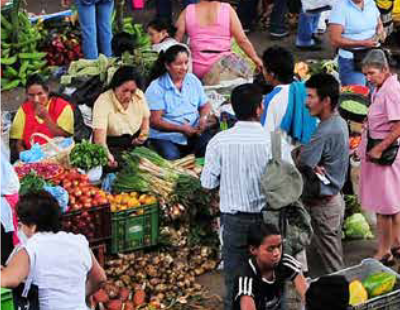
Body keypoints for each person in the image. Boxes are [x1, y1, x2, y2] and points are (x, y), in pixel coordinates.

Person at [201, 83, 285, 292]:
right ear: (259, 108)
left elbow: (207, 183)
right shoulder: (273, 140)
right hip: (268, 221)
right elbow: (287, 182)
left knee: (236, 283)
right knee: (270, 281)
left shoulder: (219, 141)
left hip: (234, 221)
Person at [294, 73, 350, 277]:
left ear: (326, 101)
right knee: (327, 256)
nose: (306, 102)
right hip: (331, 199)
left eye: (310, 97)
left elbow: (301, 161)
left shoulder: (325, 131)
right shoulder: (339, 122)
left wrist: (302, 155)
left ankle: (344, 304)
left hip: (324, 206)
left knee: (334, 267)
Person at [359, 50, 400, 264]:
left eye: (371, 73)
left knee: (383, 208)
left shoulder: (390, 92)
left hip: (386, 155)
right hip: (386, 151)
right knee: (394, 203)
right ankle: (397, 244)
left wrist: (380, 148)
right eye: (366, 74)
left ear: (385, 70)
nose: (368, 78)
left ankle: (384, 251)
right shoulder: (382, 87)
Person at [178, 0, 262, 83]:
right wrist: (256, 59)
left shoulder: (188, 10)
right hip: (224, 67)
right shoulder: (227, 9)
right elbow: (242, 40)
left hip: (196, 67)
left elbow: (175, 40)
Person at [145, 44, 216, 161]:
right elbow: (155, 121)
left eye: (186, 63)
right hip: (167, 137)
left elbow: (205, 105)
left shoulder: (192, 80)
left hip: (194, 132)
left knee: (210, 148)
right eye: (178, 64)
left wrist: (203, 118)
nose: (184, 68)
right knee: (172, 157)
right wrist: (181, 129)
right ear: (167, 65)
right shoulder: (156, 87)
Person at [327, 0, 384, 87]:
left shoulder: (369, 1)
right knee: (357, 96)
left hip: (372, 56)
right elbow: (335, 40)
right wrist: (362, 43)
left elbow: (378, 22)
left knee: (375, 93)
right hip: (351, 60)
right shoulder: (341, 7)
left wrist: (380, 31)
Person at [91, 65, 149, 168]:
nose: (128, 96)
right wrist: (107, 156)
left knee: (146, 164)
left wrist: (143, 135)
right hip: (113, 145)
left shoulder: (139, 95)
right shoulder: (103, 101)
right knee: (123, 166)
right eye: (124, 90)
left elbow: (145, 118)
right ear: (115, 86)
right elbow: (100, 140)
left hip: (134, 142)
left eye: (132, 91)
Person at [9, 78, 74, 160]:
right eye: (31, 95)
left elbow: (65, 136)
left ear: (47, 92)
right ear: (26, 95)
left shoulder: (63, 107)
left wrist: (46, 118)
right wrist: (25, 157)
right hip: (33, 158)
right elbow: (18, 142)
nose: (36, 99)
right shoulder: (24, 109)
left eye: (40, 94)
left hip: (58, 156)